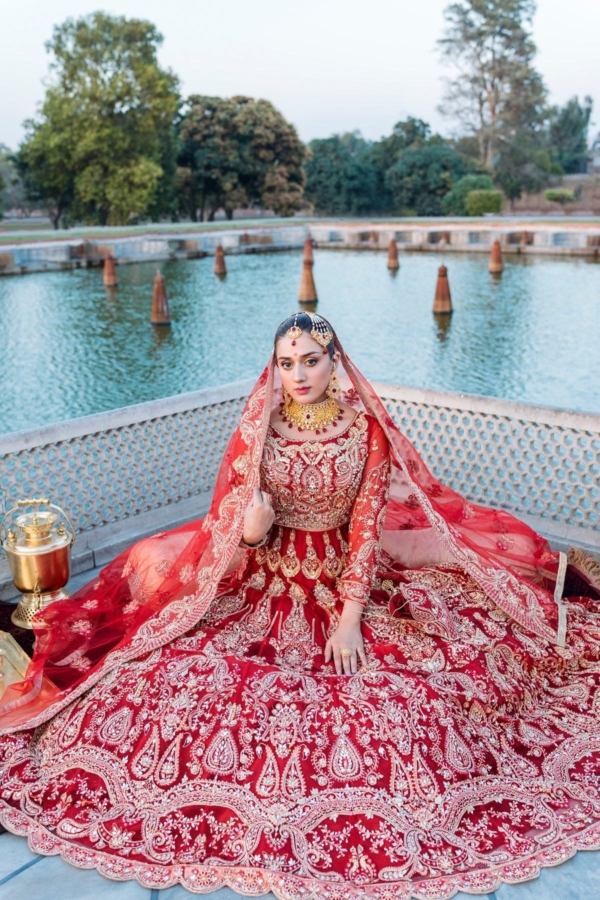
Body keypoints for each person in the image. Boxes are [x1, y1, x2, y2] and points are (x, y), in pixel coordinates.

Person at [1, 311, 600, 899]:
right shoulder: (260, 426)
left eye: (310, 360)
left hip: (349, 581)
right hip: (267, 585)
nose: (298, 374)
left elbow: (366, 530)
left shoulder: (364, 431)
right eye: (286, 363)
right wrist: (257, 531)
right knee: (166, 677)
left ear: (334, 361)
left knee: (411, 699)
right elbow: (237, 525)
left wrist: (347, 622)